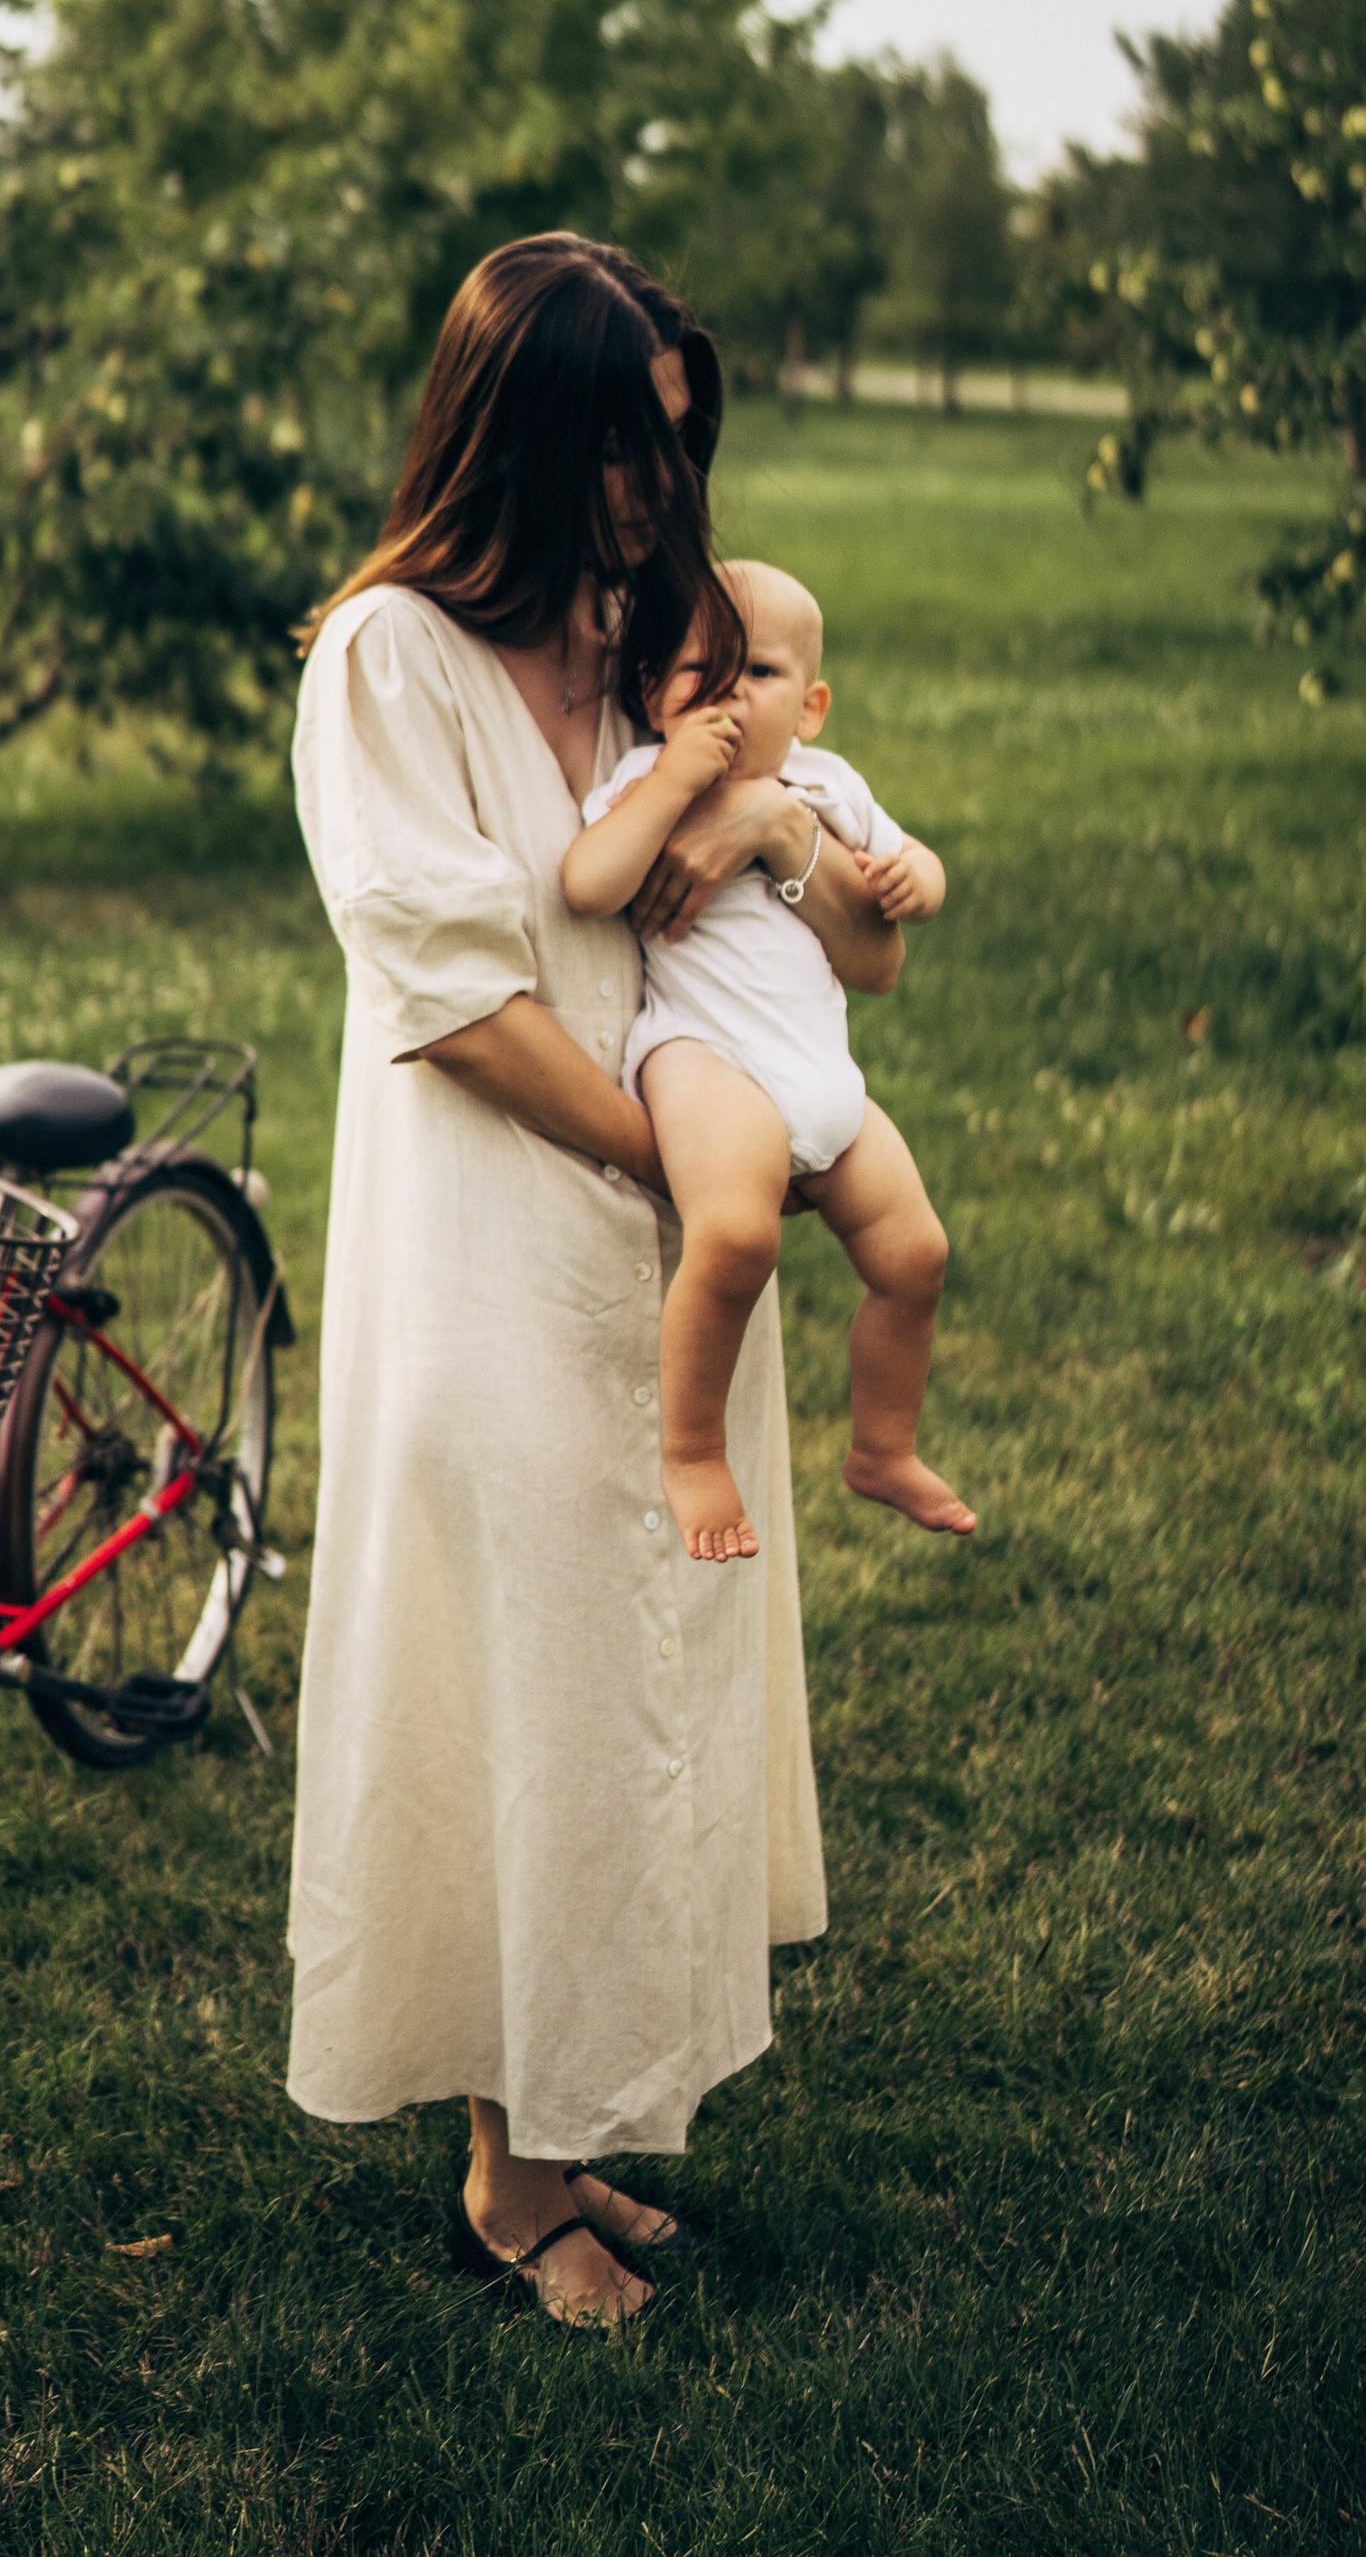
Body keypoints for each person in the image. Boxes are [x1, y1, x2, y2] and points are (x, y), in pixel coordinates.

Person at [286, 236, 904, 2331]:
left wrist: (804, 863)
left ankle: (557, 2137)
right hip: (493, 1238)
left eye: (677, 445)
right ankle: (499, 2170)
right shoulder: (389, 660)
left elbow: (770, 860)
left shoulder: (650, 643)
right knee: (509, 1675)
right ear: (514, 436)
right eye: (620, 449)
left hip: (660, 1254)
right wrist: (688, 1156)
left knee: (625, 1670)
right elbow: (454, 1001)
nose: (657, 491)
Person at [560, 556, 973, 1565]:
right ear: (656, 692)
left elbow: (912, 861)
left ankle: (881, 1445)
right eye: (703, 672)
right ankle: (694, 1449)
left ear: (813, 706)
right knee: (737, 1238)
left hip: (819, 1071)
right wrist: (675, 783)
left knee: (915, 1256)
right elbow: (587, 881)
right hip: (702, 1057)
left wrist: (916, 877)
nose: (731, 696)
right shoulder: (641, 783)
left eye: (762, 674)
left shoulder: (827, 787)